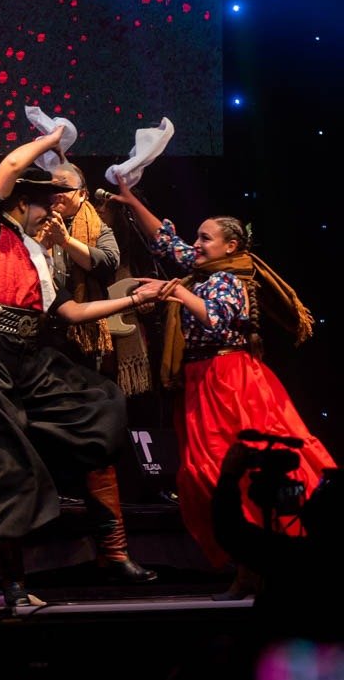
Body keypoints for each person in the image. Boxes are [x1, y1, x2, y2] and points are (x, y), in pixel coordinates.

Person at [0, 127, 171, 608]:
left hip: (26, 360)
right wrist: (53, 138)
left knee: (99, 406)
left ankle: (110, 548)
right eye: (47, 205)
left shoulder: (36, 254)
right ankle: (15, 588)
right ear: (25, 204)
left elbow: (72, 312)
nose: (54, 213)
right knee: (6, 471)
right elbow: (8, 167)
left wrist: (133, 299)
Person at [109, 178, 337, 597]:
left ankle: (261, 568)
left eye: (205, 238)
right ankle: (249, 569)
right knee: (204, 475)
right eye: (197, 237)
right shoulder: (206, 270)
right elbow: (168, 243)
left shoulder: (230, 279)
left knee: (232, 470)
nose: (195, 244)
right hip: (202, 380)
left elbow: (216, 319)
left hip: (230, 380)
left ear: (231, 246)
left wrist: (173, 292)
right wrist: (131, 202)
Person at [36, 162, 157, 583]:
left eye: (64, 189)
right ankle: (28, 566)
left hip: (81, 347)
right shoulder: (30, 223)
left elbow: (107, 264)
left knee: (100, 431)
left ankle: (113, 551)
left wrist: (65, 241)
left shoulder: (95, 226)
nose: (56, 195)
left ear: (83, 193)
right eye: (50, 188)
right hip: (34, 348)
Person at [212, 439, 341, 645]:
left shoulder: (297, 559)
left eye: (319, 492)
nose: (309, 497)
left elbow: (231, 530)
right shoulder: (301, 555)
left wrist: (229, 477)